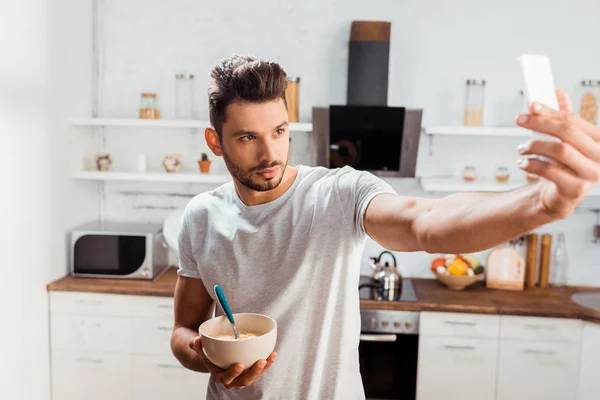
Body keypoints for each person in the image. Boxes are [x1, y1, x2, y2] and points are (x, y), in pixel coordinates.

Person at [170, 55, 600, 400]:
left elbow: (424, 224)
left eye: (279, 130)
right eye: (248, 137)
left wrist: (540, 203)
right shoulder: (200, 216)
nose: (269, 152)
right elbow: (183, 330)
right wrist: (206, 357)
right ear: (215, 142)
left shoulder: (338, 192)